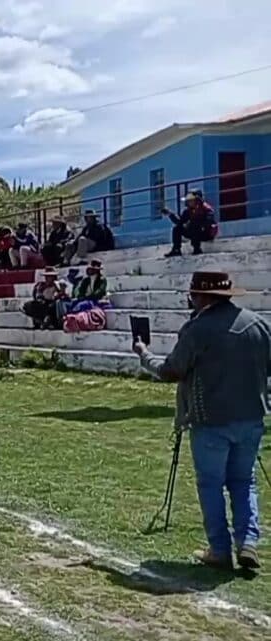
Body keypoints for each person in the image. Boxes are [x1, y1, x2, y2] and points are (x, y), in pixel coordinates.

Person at [134, 271, 268, 571]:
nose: (190, 300)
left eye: (192, 295)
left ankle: (219, 549)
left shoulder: (198, 329)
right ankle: (247, 542)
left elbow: (171, 371)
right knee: (244, 481)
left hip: (210, 420)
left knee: (211, 484)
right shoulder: (258, 324)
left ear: (204, 297)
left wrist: (144, 355)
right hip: (251, 417)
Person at [164, 191, 216, 257]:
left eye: (191, 200)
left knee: (195, 225)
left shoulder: (206, 209)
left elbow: (209, 221)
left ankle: (197, 249)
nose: (189, 202)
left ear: (197, 200)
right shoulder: (188, 211)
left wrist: (198, 223)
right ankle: (176, 249)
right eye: (188, 201)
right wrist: (170, 214)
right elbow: (180, 222)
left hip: (206, 233)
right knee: (177, 228)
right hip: (194, 232)